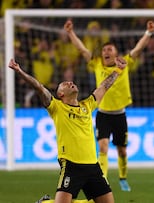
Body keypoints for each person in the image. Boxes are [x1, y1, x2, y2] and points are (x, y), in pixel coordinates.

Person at [8, 57, 127, 203]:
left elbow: (104, 86)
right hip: (71, 165)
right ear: (60, 94)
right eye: (65, 84)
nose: (70, 82)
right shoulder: (56, 107)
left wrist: (118, 70)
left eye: (71, 82)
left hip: (93, 166)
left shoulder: (87, 105)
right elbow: (39, 87)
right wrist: (19, 71)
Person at [64, 19, 154, 191]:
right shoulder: (97, 63)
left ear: (116, 53)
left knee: (122, 150)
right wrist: (70, 33)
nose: (106, 52)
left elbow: (138, 48)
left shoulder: (125, 63)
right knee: (103, 146)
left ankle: (123, 178)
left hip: (120, 115)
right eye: (104, 49)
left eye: (109, 49)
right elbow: (82, 49)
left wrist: (148, 32)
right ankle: (103, 180)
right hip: (103, 114)